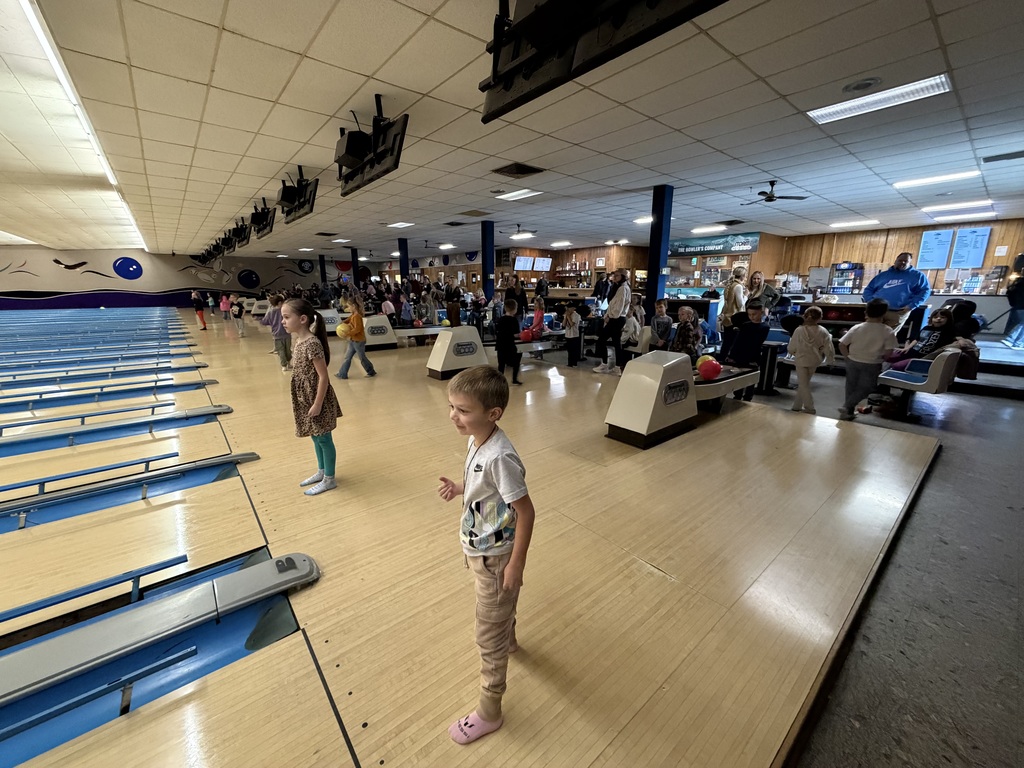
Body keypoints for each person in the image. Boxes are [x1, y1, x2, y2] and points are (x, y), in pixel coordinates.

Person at [437, 365, 536, 745]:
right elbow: (485, 485)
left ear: (492, 414)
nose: (453, 416)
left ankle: (490, 709)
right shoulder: (477, 438)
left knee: (486, 635)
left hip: (495, 557)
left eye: (462, 410)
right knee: (498, 611)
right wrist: (463, 487)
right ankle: (507, 635)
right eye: (451, 406)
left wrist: (516, 563)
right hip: (480, 547)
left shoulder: (500, 457)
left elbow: (526, 510)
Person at [281, 298, 342, 496]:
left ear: (303, 319)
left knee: (324, 438)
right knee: (315, 437)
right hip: (304, 396)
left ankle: (330, 479)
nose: (283, 321)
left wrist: (317, 403)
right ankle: (321, 471)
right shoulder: (298, 341)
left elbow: (323, 376)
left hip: (317, 396)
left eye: (286, 317)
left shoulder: (312, 344)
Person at [837, 299, 898, 421]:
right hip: (872, 363)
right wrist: (884, 359)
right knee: (867, 388)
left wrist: (847, 357)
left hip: (853, 361)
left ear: (866, 312)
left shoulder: (857, 327)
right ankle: (847, 407)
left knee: (851, 386)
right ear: (884, 313)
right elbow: (889, 351)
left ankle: (847, 412)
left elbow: (842, 344)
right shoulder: (887, 330)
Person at [861, 252, 931, 332]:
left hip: (898, 312)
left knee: (887, 336)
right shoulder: (883, 275)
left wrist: (912, 305)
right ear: (895, 261)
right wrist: (870, 301)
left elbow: (925, 291)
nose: (903, 262)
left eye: (906, 261)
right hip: (877, 310)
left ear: (910, 263)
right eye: (900, 260)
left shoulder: (918, 276)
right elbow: (869, 289)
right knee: (869, 333)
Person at [787, 305, 835, 414]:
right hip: (815, 360)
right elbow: (829, 348)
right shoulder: (823, 331)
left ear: (804, 316)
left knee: (803, 384)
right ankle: (796, 406)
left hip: (801, 360)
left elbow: (792, 347)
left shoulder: (798, 330)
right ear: (820, 318)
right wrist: (830, 360)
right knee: (804, 383)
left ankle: (810, 408)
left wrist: (792, 352)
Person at [885, 307, 957, 371]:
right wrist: (907, 348)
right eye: (935, 317)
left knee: (896, 366)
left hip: (922, 357)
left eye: (942, 317)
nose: (938, 319)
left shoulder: (948, 332)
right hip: (911, 351)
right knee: (885, 355)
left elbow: (956, 338)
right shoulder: (926, 328)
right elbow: (917, 339)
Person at [593, 268, 631, 376]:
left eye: (617, 276)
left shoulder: (623, 289)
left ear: (623, 277)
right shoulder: (620, 288)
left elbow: (618, 306)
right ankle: (618, 366)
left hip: (616, 319)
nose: (615, 278)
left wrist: (610, 316)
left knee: (601, 340)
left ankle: (605, 364)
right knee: (616, 343)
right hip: (617, 318)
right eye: (614, 276)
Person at [336, 297, 377, 379]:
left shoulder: (357, 316)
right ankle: (342, 374)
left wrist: (347, 333)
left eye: (349, 306)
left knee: (362, 358)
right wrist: (343, 322)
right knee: (347, 357)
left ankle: (371, 371)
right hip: (353, 340)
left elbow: (357, 329)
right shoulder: (353, 315)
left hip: (359, 341)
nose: (348, 308)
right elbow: (349, 319)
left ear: (354, 306)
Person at [260, 294, 293, 371]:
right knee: (288, 349)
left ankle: (284, 365)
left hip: (276, 335)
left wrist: (260, 319)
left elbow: (264, 321)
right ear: (280, 303)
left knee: (280, 350)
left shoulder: (270, 312)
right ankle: (288, 363)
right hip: (287, 333)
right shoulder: (285, 312)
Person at [495, 299, 523, 385]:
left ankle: (500, 381)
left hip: (500, 344)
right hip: (510, 344)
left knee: (501, 364)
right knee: (516, 362)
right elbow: (516, 334)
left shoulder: (501, 319)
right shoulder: (514, 321)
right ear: (514, 309)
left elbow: (497, 331)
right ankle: (514, 379)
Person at [1002, 271, 1024, 349]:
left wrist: (1013, 304)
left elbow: (1009, 294)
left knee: (1021, 324)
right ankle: (1017, 342)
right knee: (1022, 325)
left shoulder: (1015, 285)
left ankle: (1011, 338)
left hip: (1017, 306)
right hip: (1022, 306)